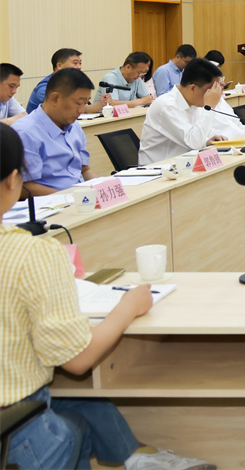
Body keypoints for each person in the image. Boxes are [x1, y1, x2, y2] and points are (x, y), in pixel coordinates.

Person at [0, 123, 215, 470]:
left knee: (83, 401)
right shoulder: (30, 253)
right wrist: (128, 307)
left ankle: (137, 457)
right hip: (14, 425)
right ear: (14, 180)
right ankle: (138, 459)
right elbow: (78, 360)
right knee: (76, 417)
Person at [12, 69, 97, 196]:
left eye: (85, 103)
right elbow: (23, 187)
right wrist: (70, 197)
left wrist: (101, 189)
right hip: (50, 203)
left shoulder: (75, 126)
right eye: (78, 103)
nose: (82, 110)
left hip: (78, 199)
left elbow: (85, 170)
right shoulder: (25, 132)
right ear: (55, 98)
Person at [138, 59, 230, 164]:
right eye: (211, 90)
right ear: (193, 88)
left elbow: (202, 133)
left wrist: (207, 141)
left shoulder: (193, 101)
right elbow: (193, 142)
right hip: (159, 168)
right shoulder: (167, 106)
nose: (214, 94)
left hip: (182, 164)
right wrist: (209, 107)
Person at [25, 49, 110, 114]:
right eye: (75, 63)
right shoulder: (45, 86)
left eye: (80, 63)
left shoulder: (74, 84)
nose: (79, 67)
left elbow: (84, 108)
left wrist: (100, 103)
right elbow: (60, 109)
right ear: (59, 65)